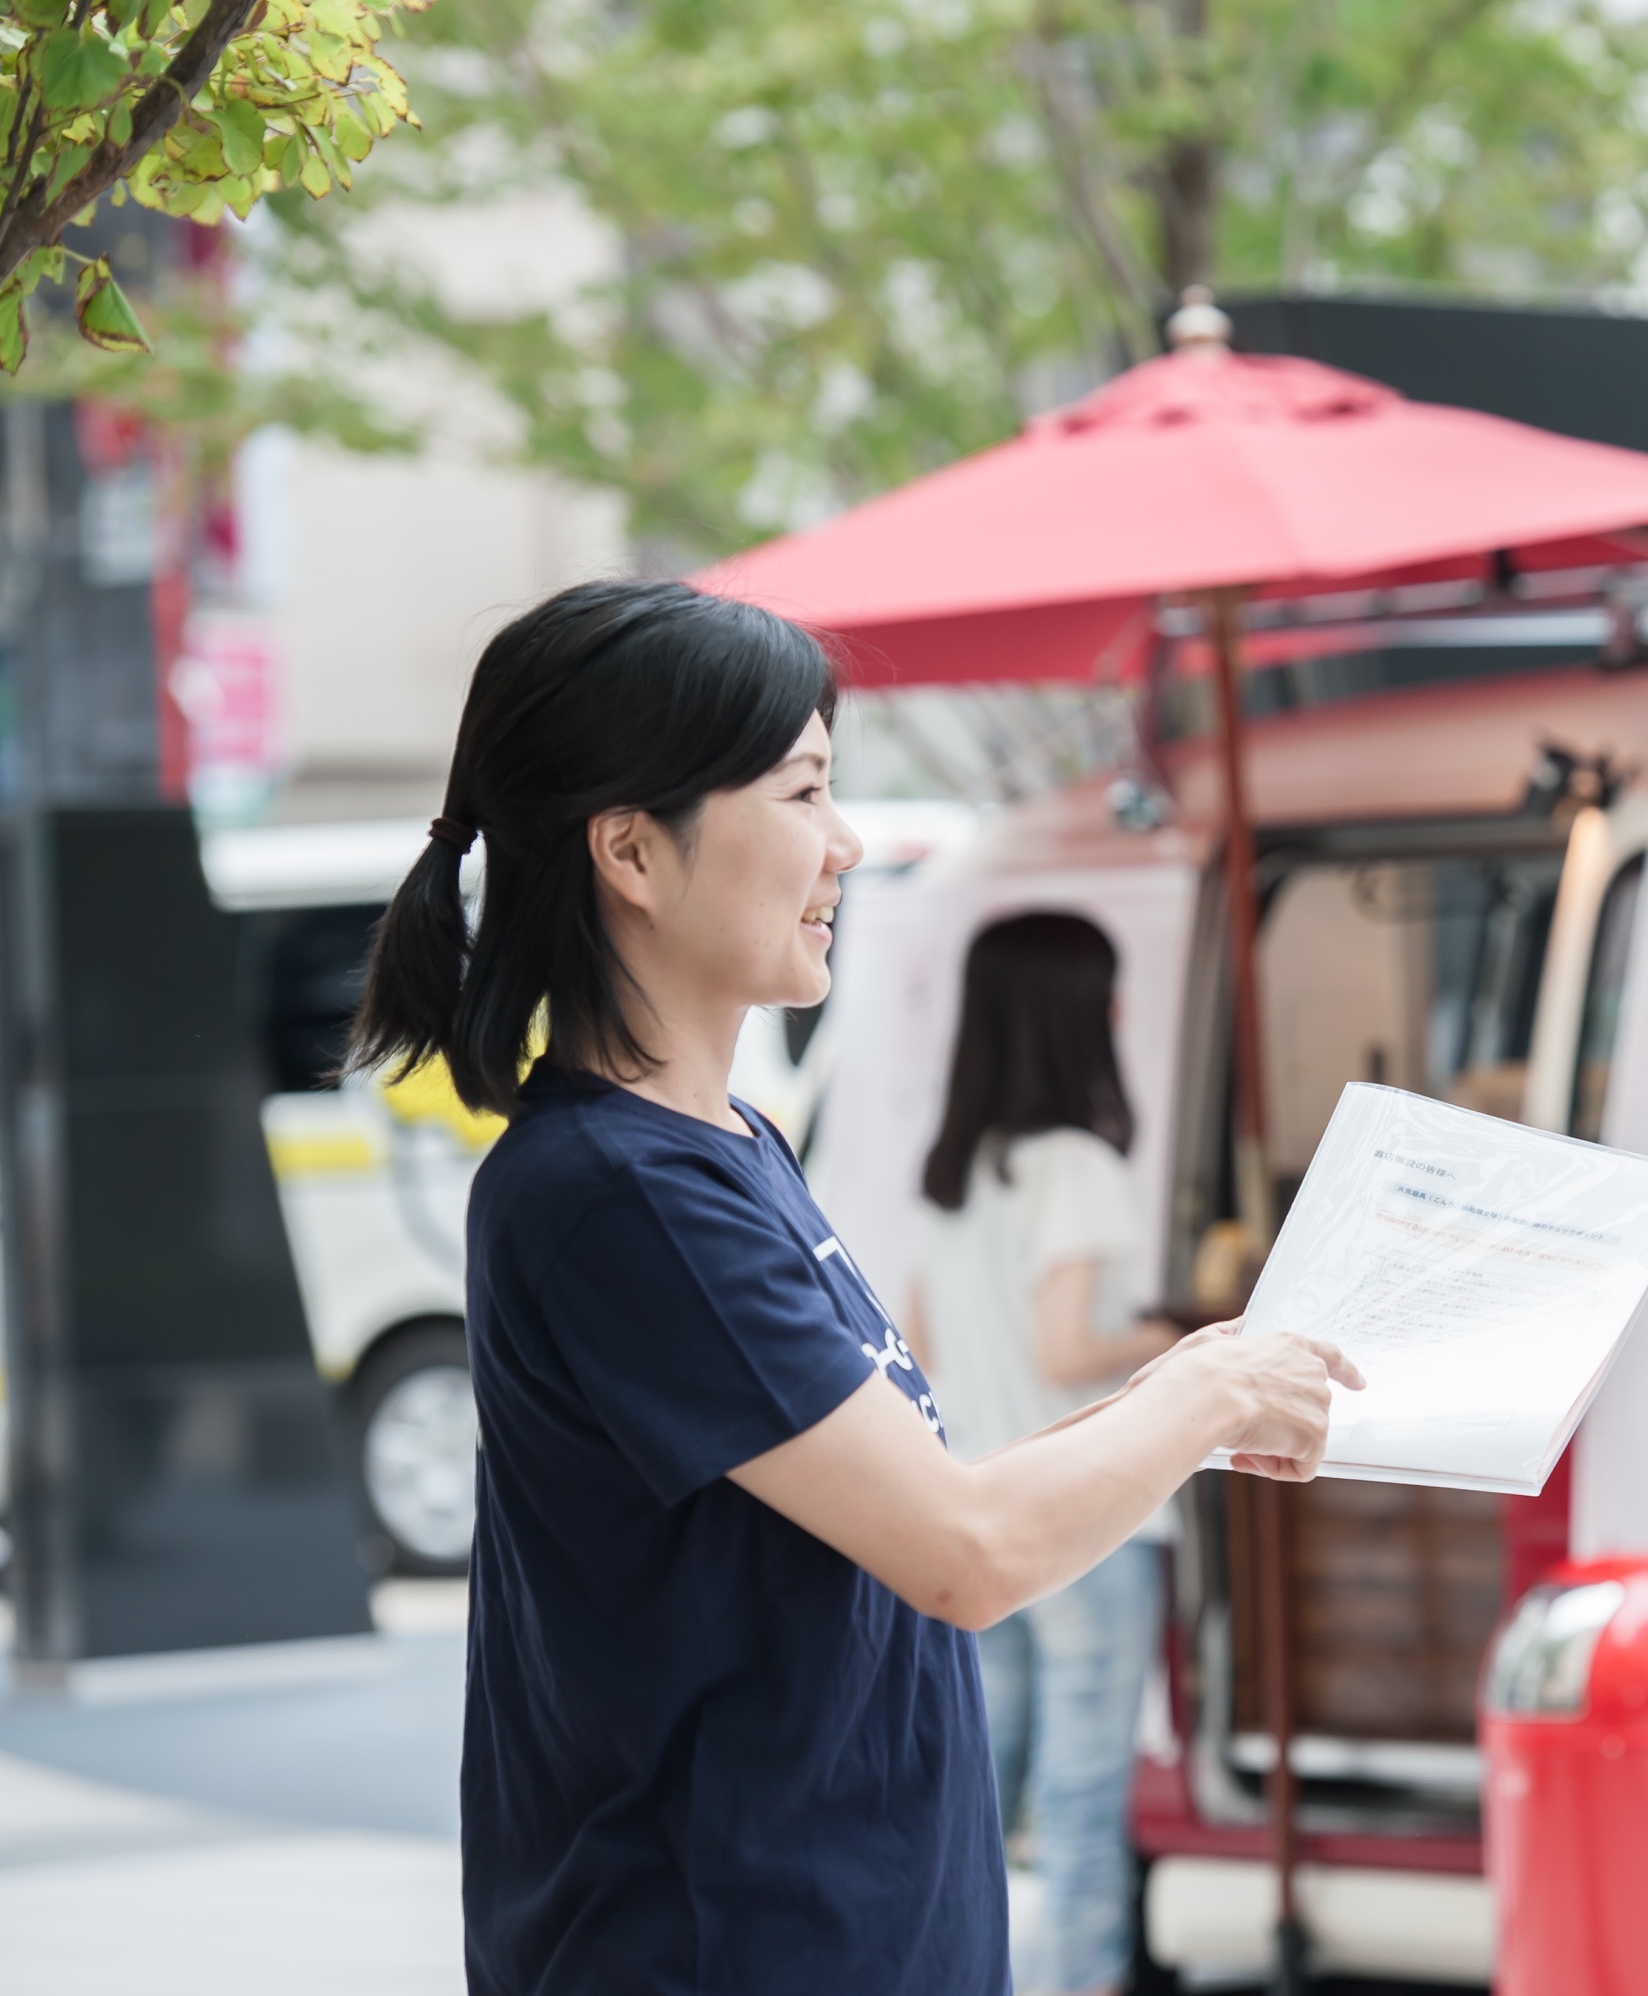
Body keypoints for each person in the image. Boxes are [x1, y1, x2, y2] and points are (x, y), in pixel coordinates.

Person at [347, 580, 1359, 1995]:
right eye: (805, 791)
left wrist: (1191, 1391)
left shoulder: (716, 1150)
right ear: (633, 851)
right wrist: (1202, 1390)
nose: (847, 846)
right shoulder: (621, 1192)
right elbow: (966, 1553)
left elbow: (915, 1500)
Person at [906, 911, 1183, 1996]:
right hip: (1091, 1519)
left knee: (980, 1797)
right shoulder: (1076, 1164)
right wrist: (1178, 1347)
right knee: (1080, 1803)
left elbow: (918, 1342)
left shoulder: (962, 1170)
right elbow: (1065, 1346)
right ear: (1082, 1016)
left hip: (981, 1503)